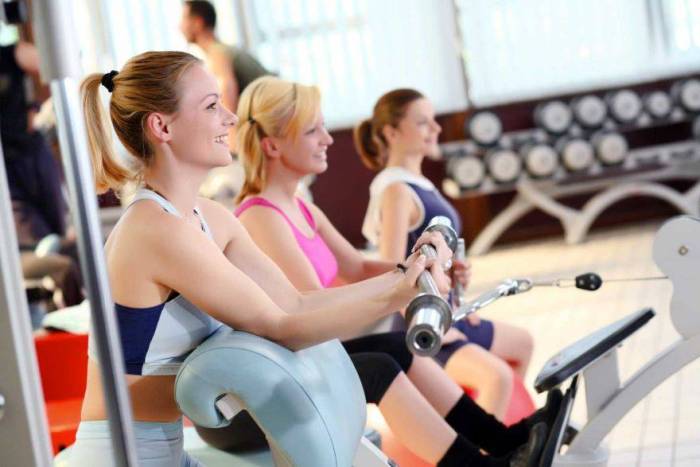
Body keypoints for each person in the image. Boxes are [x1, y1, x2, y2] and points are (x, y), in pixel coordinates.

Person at [67, 50, 464, 467]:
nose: (230, 119)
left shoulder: (210, 218)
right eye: (211, 106)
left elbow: (295, 303)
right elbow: (281, 328)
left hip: (166, 451)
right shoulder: (154, 229)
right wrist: (400, 290)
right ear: (162, 127)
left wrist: (405, 275)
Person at [234, 76, 553, 466]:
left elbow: (358, 266)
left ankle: (502, 440)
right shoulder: (260, 217)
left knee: (397, 347)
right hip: (292, 365)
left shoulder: (302, 208)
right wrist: (402, 284)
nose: (328, 139)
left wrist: (423, 267)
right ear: (273, 145)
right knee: (381, 366)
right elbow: (312, 306)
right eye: (313, 130)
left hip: (315, 353)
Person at [355, 89, 535, 420]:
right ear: (391, 133)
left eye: (433, 120)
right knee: (496, 378)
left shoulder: (418, 183)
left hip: (448, 311)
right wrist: (433, 325)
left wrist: (451, 273)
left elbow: (425, 256)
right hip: (421, 323)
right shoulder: (396, 190)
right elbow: (392, 272)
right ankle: (481, 445)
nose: (436, 129)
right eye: (423, 122)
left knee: (521, 344)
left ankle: (500, 433)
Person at [1, 40, 84, 307]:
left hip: (33, 154)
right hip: (7, 172)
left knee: (62, 239)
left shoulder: (10, 54)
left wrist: (35, 105)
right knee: (45, 247)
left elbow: (56, 63)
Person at [179, 0, 270, 114]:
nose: (180, 27)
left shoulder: (217, 54)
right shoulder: (220, 50)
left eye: (184, 19)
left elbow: (228, 109)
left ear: (198, 23)